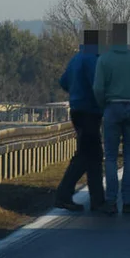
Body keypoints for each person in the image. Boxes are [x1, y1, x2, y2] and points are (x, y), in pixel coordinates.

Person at [93, 22, 130, 215]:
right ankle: (128, 200)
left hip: (112, 107)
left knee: (110, 156)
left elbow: (98, 88)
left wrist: (104, 106)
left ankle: (111, 201)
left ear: (111, 38)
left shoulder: (104, 59)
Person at [54, 30, 105, 211]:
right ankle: (65, 194)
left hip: (76, 109)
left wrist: (75, 92)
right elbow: (97, 85)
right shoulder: (92, 60)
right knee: (89, 155)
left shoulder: (76, 59)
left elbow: (63, 82)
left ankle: (97, 199)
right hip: (89, 110)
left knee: (91, 154)